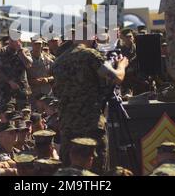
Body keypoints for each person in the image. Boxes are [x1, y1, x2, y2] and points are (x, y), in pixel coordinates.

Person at [52, 24, 128, 174]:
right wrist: (122, 65)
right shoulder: (90, 55)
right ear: (93, 37)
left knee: (69, 170)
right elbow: (116, 78)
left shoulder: (59, 61)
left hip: (68, 125)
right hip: (90, 124)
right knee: (95, 169)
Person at [0, 31, 33, 111]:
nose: (14, 41)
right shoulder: (2, 52)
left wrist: (20, 51)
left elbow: (28, 65)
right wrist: (9, 81)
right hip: (6, 90)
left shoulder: (25, 51)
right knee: (8, 114)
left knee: (24, 114)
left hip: (22, 89)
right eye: (12, 39)